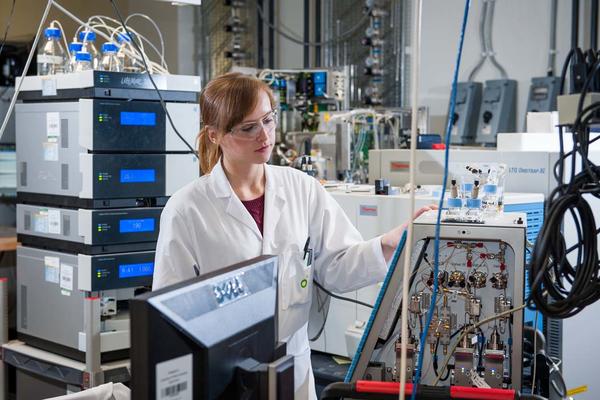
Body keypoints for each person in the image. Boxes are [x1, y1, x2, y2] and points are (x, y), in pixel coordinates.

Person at [152, 72, 435, 399]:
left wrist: (390, 241)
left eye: (268, 120)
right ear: (214, 135)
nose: (265, 135)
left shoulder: (301, 188)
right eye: (248, 128)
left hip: (293, 366)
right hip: (221, 375)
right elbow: (170, 314)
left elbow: (337, 268)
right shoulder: (187, 209)